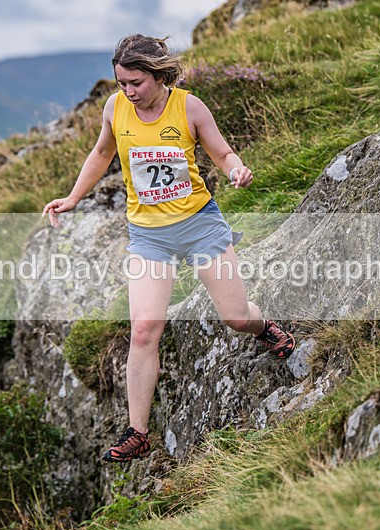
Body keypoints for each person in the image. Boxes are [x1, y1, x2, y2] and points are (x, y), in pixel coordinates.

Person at [42, 34, 295, 463]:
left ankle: (264, 327)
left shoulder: (189, 107)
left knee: (235, 317)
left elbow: (222, 152)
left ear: (158, 75)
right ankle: (137, 431)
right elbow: (101, 154)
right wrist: (72, 197)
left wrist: (237, 171)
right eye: (121, 82)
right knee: (143, 329)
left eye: (136, 82)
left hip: (198, 225)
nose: (128, 91)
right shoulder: (115, 108)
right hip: (148, 235)